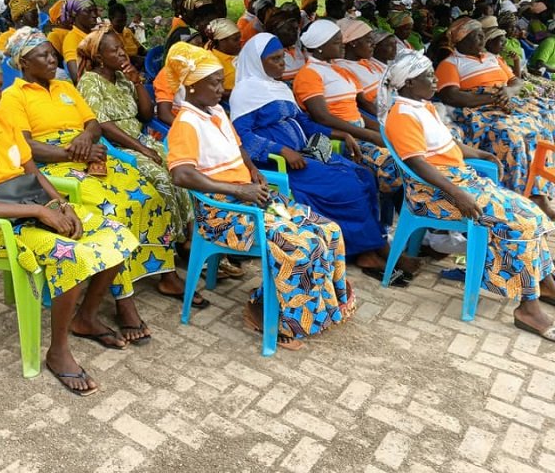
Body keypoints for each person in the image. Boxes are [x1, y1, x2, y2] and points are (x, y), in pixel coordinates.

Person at [0, 47, 139, 395]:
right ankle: (57, 351)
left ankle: (85, 318)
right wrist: (40, 212)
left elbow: (31, 172)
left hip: (29, 207)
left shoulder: (2, 120)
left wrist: (59, 203)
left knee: (115, 234)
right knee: (71, 255)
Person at [0, 27, 205, 311]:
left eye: (52, 54)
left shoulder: (65, 87)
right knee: (117, 209)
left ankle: (165, 272)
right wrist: (71, 151)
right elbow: (27, 147)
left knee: (149, 196)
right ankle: (123, 297)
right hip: (53, 166)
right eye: (43, 56)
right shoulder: (14, 96)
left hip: (88, 154)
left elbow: (92, 123)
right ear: (24, 63)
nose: (51, 60)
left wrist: (84, 139)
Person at [165, 42, 354, 348]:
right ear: (192, 85)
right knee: (301, 244)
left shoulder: (215, 112)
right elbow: (181, 174)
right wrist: (239, 189)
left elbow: (238, 146)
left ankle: (311, 306)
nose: (221, 88)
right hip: (222, 214)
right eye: (214, 82)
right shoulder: (186, 123)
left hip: (249, 199)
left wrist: (252, 170)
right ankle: (268, 313)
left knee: (328, 231)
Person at [381, 51, 555, 341]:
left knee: (532, 213)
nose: (435, 79)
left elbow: (448, 145)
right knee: (519, 221)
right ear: (409, 83)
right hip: (434, 193)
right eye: (428, 76)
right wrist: (458, 194)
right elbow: (418, 164)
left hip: (459, 181)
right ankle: (528, 307)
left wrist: (478, 153)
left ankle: (545, 284)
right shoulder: (402, 115)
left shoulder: (422, 106)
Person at [231, 33, 418, 282]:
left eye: (282, 58)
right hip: (279, 164)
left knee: (363, 175)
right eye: (274, 59)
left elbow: (305, 124)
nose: (282, 64)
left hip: (307, 154)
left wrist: (341, 134)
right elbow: (242, 138)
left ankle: (372, 246)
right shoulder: (245, 92)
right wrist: (281, 150)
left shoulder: (278, 88)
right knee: (346, 186)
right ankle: (370, 252)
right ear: (257, 62)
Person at [75, 25, 197, 271]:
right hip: (117, 146)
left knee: (181, 170)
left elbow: (144, 114)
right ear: (99, 57)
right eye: (115, 50)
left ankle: (192, 236)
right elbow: (103, 125)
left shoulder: (122, 78)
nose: (123, 54)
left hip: (141, 140)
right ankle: (176, 243)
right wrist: (142, 149)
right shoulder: (90, 82)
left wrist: (137, 82)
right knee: (162, 179)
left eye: (122, 48)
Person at [435, 18, 555, 217]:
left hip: (506, 101)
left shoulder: (492, 58)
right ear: (462, 40)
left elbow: (516, 82)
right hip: (480, 108)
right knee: (512, 135)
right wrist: (493, 98)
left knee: (545, 125)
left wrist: (507, 92)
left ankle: (538, 192)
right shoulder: (450, 64)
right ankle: (518, 199)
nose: (483, 38)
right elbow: (451, 96)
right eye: (477, 35)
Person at [293, 19, 402, 195]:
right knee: (393, 162)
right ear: (321, 46)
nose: (342, 45)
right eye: (337, 42)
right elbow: (323, 117)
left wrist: (384, 129)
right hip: (341, 138)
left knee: (405, 147)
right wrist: (370, 135)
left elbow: (355, 110)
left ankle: (395, 210)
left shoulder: (339, 70)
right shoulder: (308, 74)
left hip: (359, 130)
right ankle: (392, 207)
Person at [334, 19, 382, 106]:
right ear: (353, 42)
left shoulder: (366, 62)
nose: (373, 45)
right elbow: (363, 103)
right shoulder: (343, 68)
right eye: (369, 41)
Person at [61, 0, 98, 82]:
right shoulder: (71, 39)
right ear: (75, 14)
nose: (94, 15)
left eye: (95, 10)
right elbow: (77, 77)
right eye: (88, 11)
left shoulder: (95, 35)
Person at [264, 9, 305, 84]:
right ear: (275, 31)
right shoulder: (269, 55)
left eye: (296, 29)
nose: (294, 32)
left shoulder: (296, 49)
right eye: (289, 29)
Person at [204, 18, 241, 95]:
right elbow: (210, 90)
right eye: (235, 39)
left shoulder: (234, 52)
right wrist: (238, 93)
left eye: (239, 38)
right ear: (221, 41)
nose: (240, 42)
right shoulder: (212, 61)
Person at [108, 1, 146, 66]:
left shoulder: (127, 31)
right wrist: (134, 59)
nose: (123, 24)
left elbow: (140, 49)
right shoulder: (107, 35)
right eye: (119, 21)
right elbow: (114, 58)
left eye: (124, 20)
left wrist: (150, 55)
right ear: (111, 19)